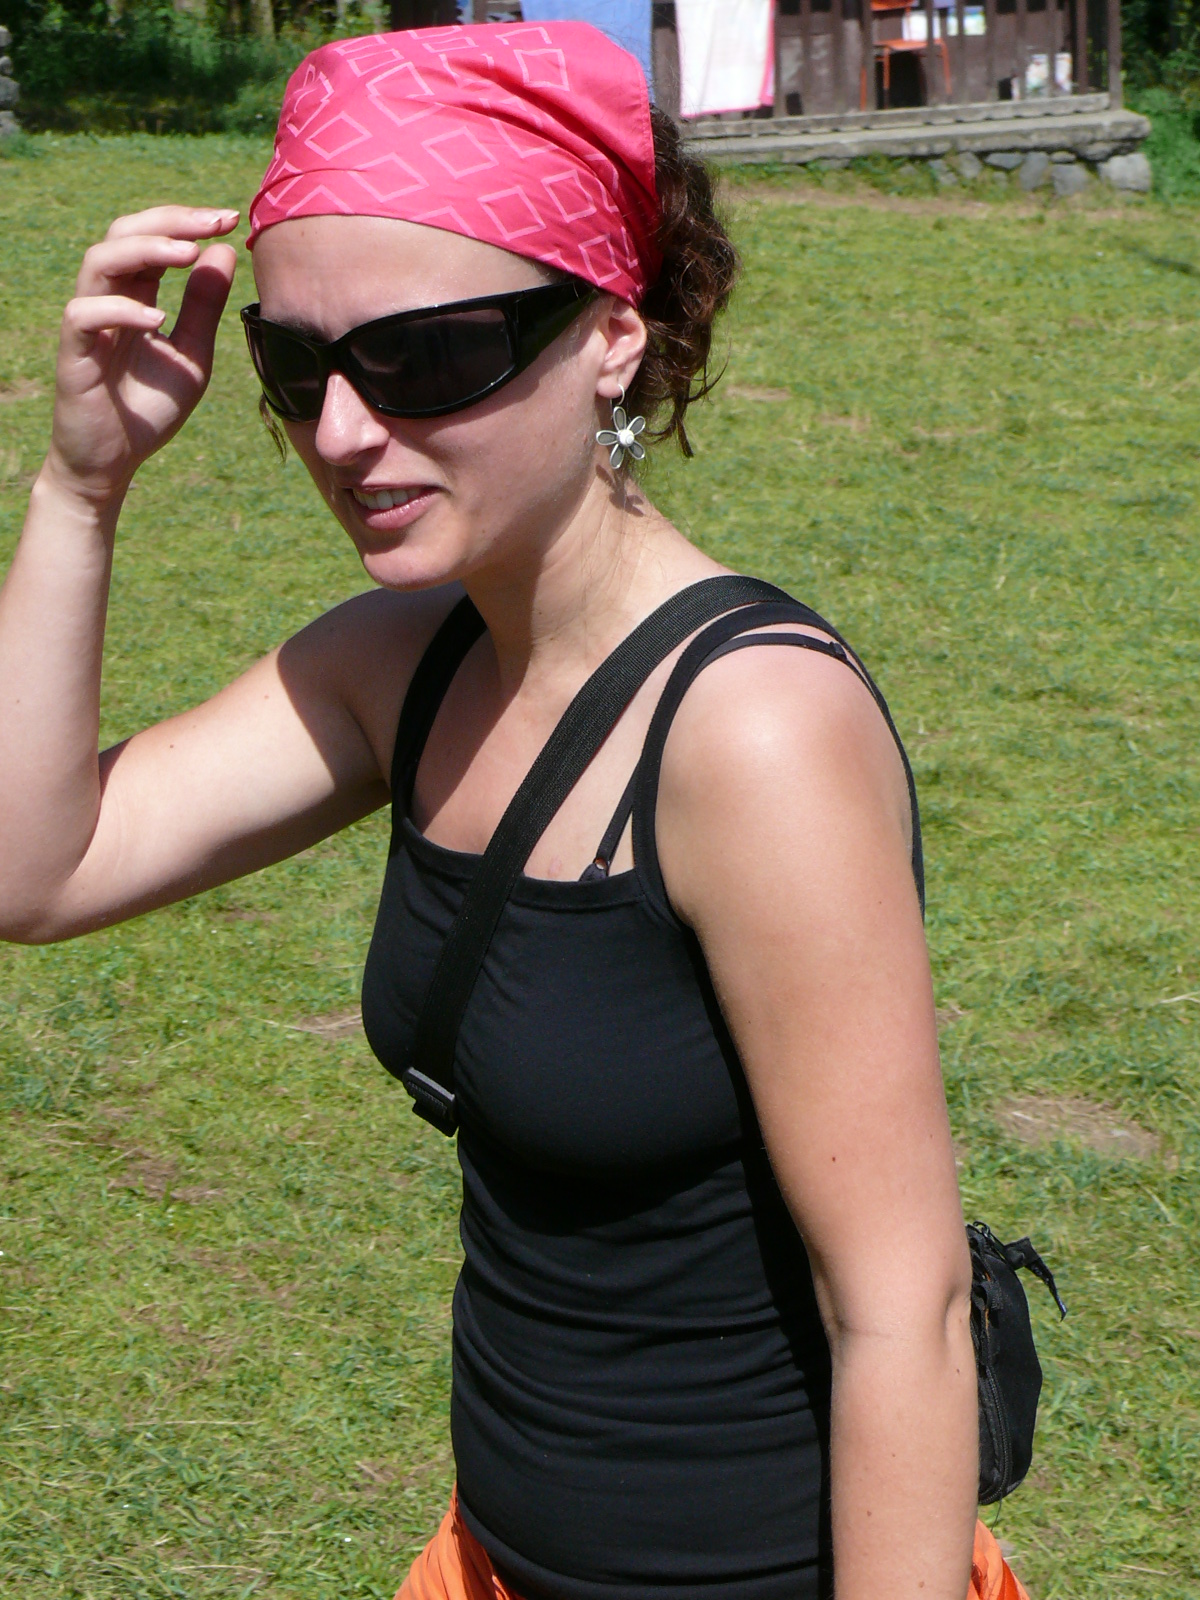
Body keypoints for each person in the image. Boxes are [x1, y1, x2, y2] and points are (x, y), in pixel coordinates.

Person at [0, 22, 1027, 1600]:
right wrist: (81, 490)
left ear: (609, 336)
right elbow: (36, 867)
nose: (346, 433)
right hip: (488, 1562)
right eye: (300, 366)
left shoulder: (751, 732)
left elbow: (903, 1311)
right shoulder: (406, 665)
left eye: (424, 357)